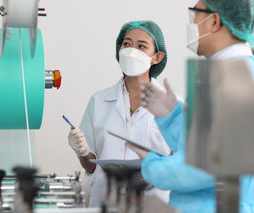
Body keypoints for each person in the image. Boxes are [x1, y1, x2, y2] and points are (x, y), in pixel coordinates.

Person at [127, 0, 254, 213]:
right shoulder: (247, 72)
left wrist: (151, 164)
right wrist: (173, 116)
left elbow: (202, 167)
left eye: (196, 15)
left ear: (215, 21)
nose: (192, 24)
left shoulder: (228, 77)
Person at [68, 21, 182, 207]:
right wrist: (82, 151)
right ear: (119, 49)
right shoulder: (98, 101)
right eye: (126, 44)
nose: (131, 51)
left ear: (156, 57)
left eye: (141, 46)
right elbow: (91, 166)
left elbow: (183, 162)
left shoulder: (173, 105)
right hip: (107, 201)